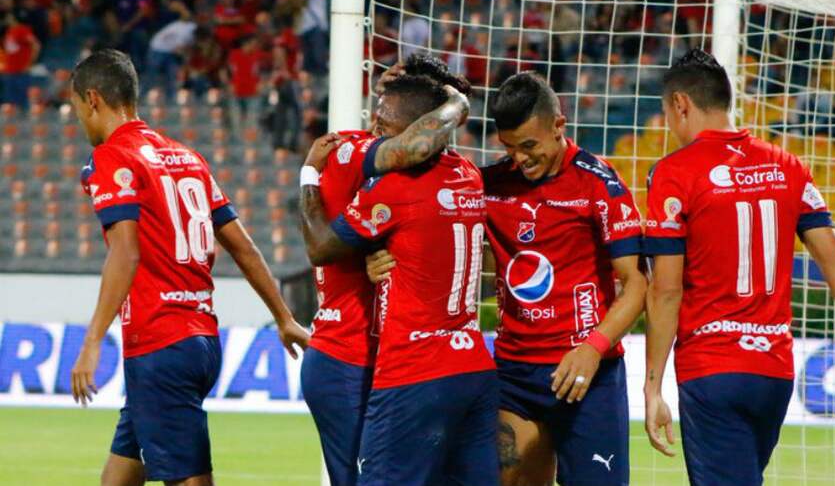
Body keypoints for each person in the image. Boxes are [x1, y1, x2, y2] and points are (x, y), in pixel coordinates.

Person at [369, 72, 646, 486]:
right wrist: (380, 254)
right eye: (510, 148)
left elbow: (637, 284)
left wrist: (594, 347)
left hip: (589, 372)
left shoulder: (599, 184)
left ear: (559, 126)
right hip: (516, 373)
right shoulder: (491, 185)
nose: (520, 159)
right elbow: (432, 223)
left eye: (530, 146)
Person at [642, 49, 835, 486]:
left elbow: (666, 290)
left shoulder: (673, 173)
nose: (668, 124)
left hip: (713, 370)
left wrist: (652, 387)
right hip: (774, 374)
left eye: (667, 112)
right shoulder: (787, 166)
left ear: (680, 104)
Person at [68, 49, 310, 486]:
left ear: (92, 100)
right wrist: (284, 317)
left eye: (76, 110)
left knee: (190, 479)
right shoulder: (186, 157)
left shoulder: (113, 157)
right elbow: (245, 247)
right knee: (121, 471)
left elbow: (126, 252)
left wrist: (91, 342)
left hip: (160, 343)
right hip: (200, 341)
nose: (79, 121)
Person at [301, 75, 498, 486]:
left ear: (426, 126)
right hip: (466, 361)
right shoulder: (468, 175)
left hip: (408, 365)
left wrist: (307, 177)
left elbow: (321, 247)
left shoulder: (390, 180)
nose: (377, 131)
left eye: (386, 125)